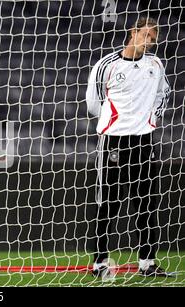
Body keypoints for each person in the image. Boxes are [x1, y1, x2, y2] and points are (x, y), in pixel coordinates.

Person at [86, 17, 171, 277]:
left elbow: (163, 94)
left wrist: (148, 119)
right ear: (132, 32)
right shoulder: (106, 65)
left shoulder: (155, 65)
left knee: (146, 204)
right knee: (107, 204)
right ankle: (100, 263)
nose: (149, 42)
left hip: (144, 141)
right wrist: (118, 121)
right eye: (145, 35)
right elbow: (93, 103)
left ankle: (147, 263)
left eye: (153, 39)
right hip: (113, 140)